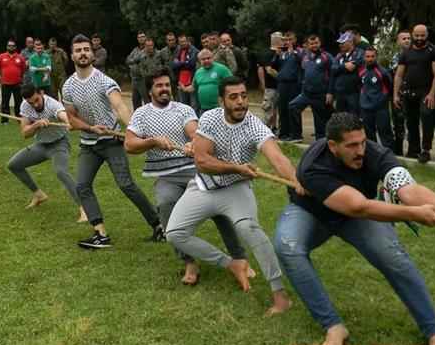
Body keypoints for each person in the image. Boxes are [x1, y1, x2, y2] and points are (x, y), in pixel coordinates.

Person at [274, 112, 435, 345]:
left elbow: (409, 191)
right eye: (351, 145)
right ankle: (333, 326)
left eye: (362, 142)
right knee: (287, 246)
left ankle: (434, 331)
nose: (360, 151)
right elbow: (358, 206)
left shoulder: (376, 153)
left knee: (393, 257)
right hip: (313, 211)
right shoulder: (314, 165)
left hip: (357, 214)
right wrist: (414, 214)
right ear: (332, 145)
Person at [165, 76, 300, 314]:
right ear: (222, 100)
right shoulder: (210, 118)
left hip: (236, 189)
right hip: (204, 186)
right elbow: (202, 160)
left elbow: (278, 158)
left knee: (249, 228)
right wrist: (237, 167)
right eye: (233, 97)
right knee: (174, 233)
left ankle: (280, 295)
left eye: (244, 96)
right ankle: (232, 263)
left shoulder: (255, 125)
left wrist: (296, 181)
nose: (240, 102)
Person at [124, 69, 250, 284]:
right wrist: (152, 141)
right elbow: (129, 144)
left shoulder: (183, 109)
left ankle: (239, 258)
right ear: (150, 91)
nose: (164, 89)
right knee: (165, 204)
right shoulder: (141, 114)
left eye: (166, 84)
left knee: (219, 207)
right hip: (166, 176)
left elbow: (194, 131)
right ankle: (189, 262)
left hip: (194, 171)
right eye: (159, 86)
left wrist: (194, 142)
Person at [62, 34, 162, 249]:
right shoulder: (68, 86)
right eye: (78, 50)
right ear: (72, 56)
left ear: (93, 54)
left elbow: (120, 108)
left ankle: (158, 225)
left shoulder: (105, 81)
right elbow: (71, 118)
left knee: (126, 184)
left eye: (86, 49)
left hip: (112, 141)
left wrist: (132, 130)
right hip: (89, 144)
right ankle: (100, 234)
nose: (82, 53)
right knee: (82, 186)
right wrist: (89, 128)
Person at [7, 84, 87, 222]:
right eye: (31, 103)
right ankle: (39, 195)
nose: (35, 105)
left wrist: (69, 122)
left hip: (59, 144)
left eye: (36, 100)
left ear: (41, 93)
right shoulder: (26, 105)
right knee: (14, 165)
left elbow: (63, 115)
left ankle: (84, 209)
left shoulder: (53, 105)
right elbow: (25, 133)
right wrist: (36, 125)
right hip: (41, 145)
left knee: (61, 172)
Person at [393, 24, 435, 163]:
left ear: (427, 35)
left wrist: (432, 93)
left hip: (426, 92)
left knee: (426, 116)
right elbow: (398, 75)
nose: (419, 38)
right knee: (411, 121)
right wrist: (395, 95)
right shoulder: (406, 52)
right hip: (409, 92)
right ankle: (413, 150)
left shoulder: (434, 51)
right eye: (417, 35)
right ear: (413, 35)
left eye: (422, 35)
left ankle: (426, 150)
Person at [289, 34, 335, 140]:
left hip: (320, 94)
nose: (314, 45)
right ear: (308, 45)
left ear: (320, 43)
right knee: (293, 106)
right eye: (311, 43)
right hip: (306, 93)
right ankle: (296, 136)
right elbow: (297, 55)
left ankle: (320, 143)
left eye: (316, 43)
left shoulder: (326, 56)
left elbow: (333, 74)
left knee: (319, 123)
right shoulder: (305, 56)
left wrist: (330, 92)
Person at [358, 47, 394, 149]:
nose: (370, 59)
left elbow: (389, 88)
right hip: (366, 108)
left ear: (376, 57)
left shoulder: (383, 72)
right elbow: (360, 87)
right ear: (364, 57)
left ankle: (390, 156)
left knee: (385, 132)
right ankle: (372, 156)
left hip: (380, 108)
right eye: (367, 56)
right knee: (369, 136)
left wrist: (381, 101)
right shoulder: (361, 72)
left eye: (372, 56)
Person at [274, 31, 303, 142]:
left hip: (293, 84)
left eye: (290, 39)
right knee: (282, 108)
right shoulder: (282, 53)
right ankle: (283, 133)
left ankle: (296, 134)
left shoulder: (299, 51)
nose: (287, 42)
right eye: (285, 40)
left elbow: (303, 62)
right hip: (282, 84)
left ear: (295, 40)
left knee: (293, 108)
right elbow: (274, 65)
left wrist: (293, 52)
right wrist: (277, 55)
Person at [330, 32, 364, 114]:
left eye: (343, 43)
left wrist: (340, 68)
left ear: (351, 42)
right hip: (340, 94)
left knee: (354, 119)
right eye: (340, 43)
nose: (340, 45)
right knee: (340, 119)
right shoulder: (339, 55)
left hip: (354, 93)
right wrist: (344, 66)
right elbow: (333, 69)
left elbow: (353, 66)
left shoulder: (360, 52)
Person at [389, 31, 411, 155]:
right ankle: (398, 151)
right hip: (398, 95)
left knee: (411, 124)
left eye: (408, 38)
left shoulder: (415, 54)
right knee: (398, 124)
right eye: (404, 38)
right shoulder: (395, 57)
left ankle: (413, 150)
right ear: (398, 41)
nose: (407, 40)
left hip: (412, 94)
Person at [192, 49, 232, 115]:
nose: (206, 60)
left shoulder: (222, 69)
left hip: (219, 107)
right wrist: (184, 88)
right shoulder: (198, 72)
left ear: (213, 58)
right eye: (203, 59)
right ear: (199, 61)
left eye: (208, 58)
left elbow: (232, 83)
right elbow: (193, 87)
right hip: (203, 109)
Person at [0, 40, 27, 124]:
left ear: (15, 47)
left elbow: (23, 69)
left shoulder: (20, 57)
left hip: (17, 83)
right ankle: (5, 120)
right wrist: (0, 76)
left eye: (12, 46)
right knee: (5, 103)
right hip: (5, 83)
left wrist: (19, 76)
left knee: (19, 102)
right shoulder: (1, 56)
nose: (11, 47)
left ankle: (19, 119)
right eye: (9, 45)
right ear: (7, 47)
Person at [257, 32, 281, 131]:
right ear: (273, 40)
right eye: (280, 39)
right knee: (268, 109)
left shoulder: (282, 53)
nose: (281, 41)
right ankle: (264, 130)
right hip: (271, 86)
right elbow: (268, 70)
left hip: (281, 87)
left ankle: (274, 128)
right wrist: (282, 77)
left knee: (277, 109)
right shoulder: (267, 54)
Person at [171, 33, 199, 109]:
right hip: (180, 81)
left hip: (191, 81)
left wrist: (179, 63)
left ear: (187, 41)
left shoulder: (194, 50)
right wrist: (184, 62)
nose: (182, 43)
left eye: (184, 41)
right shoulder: (178, 50)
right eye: (180, 42)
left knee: (194, 105)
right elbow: (173, 65)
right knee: (183, 105)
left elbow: (191, 63)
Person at [126, 31, 147, 110]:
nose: (141, 38)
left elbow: (141, 59)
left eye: (143, 36)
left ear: (145, 38)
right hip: (134, 80)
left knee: (147, 102)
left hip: (143, 79)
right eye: (139, 37)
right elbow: (128, 60)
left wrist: (133, 61)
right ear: (137, 39)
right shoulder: (135, 49)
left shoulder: (148, 48)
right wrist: (135, 61)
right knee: (135, 102)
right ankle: (137, 120)